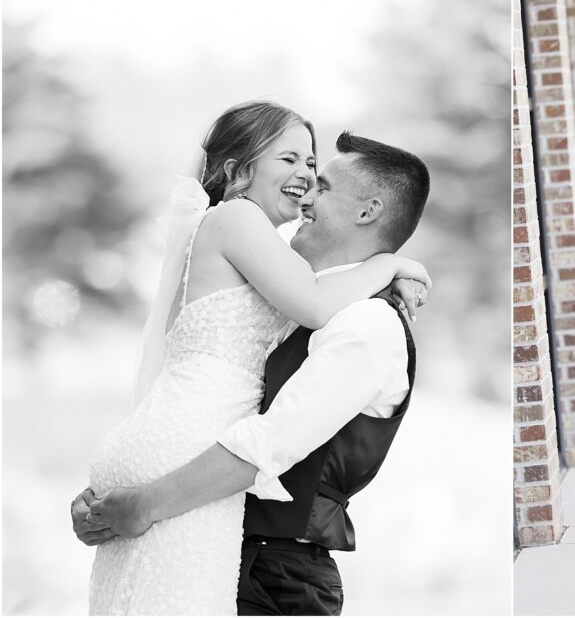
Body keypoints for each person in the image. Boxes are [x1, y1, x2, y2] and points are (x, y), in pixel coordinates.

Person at [74, 103, 430, 615]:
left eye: (319, 178)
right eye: (293, 162)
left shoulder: (367, 322)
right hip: (216, 527)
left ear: (368, 211)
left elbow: (268, 442)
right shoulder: (278, 272)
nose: (307, 187)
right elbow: (204, 388)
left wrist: (139, 500)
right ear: (241, 170)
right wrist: (392, 263)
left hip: (275, 569)